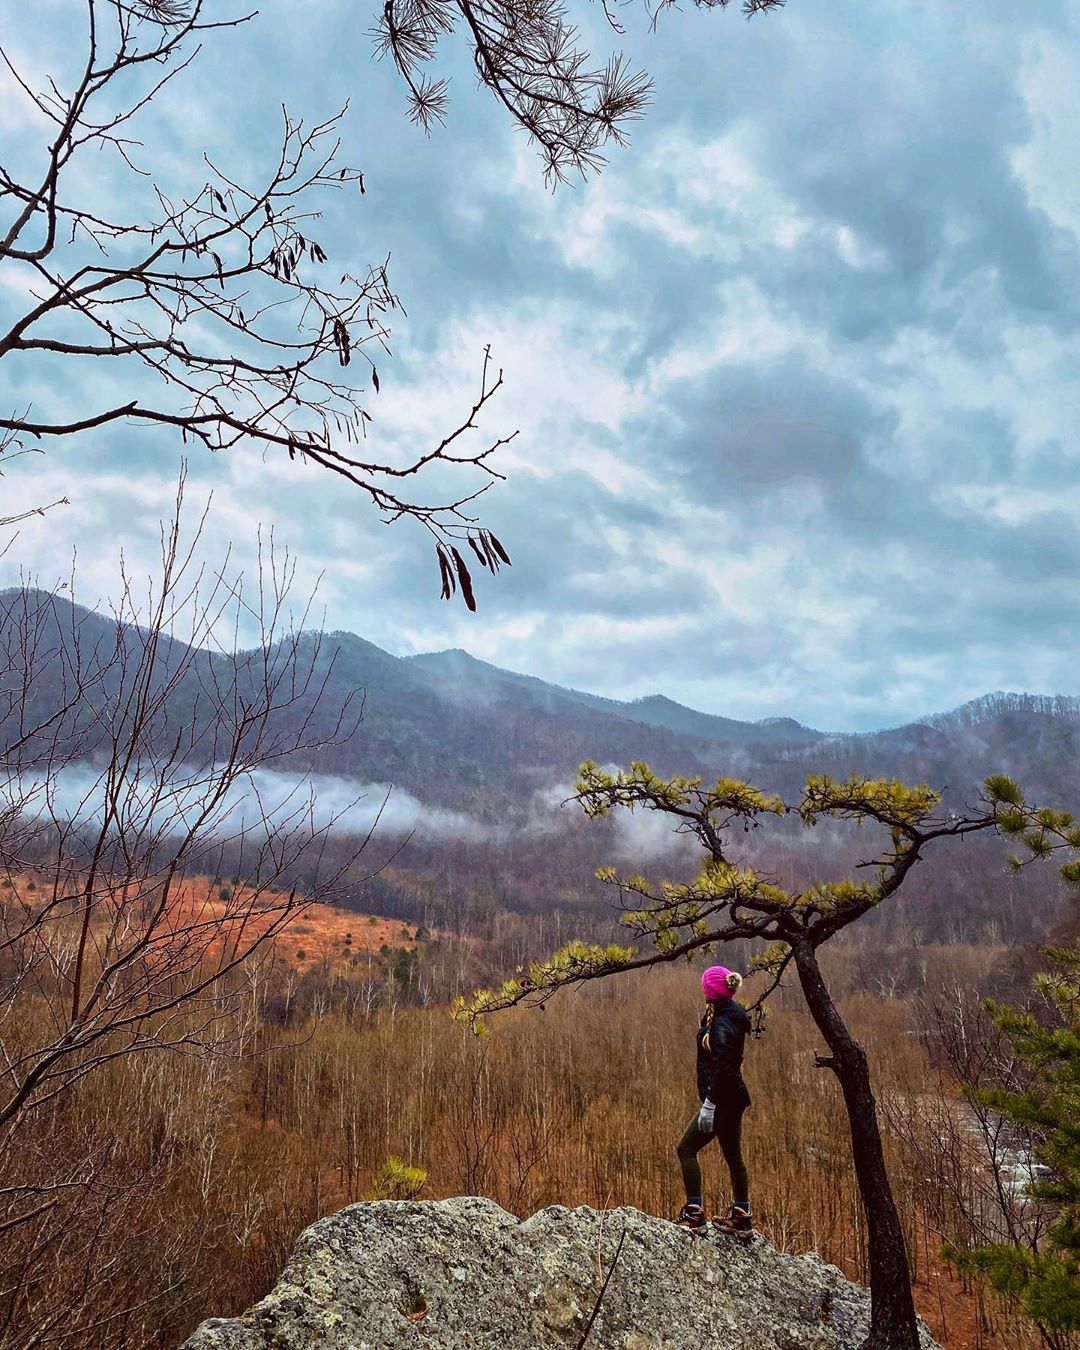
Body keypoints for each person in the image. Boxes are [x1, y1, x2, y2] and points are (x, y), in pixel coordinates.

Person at [675, 964, 753, 1237]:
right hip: (732, 1098)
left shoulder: (721, 1024)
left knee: (685, 1149)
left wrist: (709, 1104)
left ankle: (694, 1213)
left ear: (709, 991)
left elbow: (725, 1070)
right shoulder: (726, 1015)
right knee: (734, 1157)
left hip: (723, 1100)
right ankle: (742, 1216)